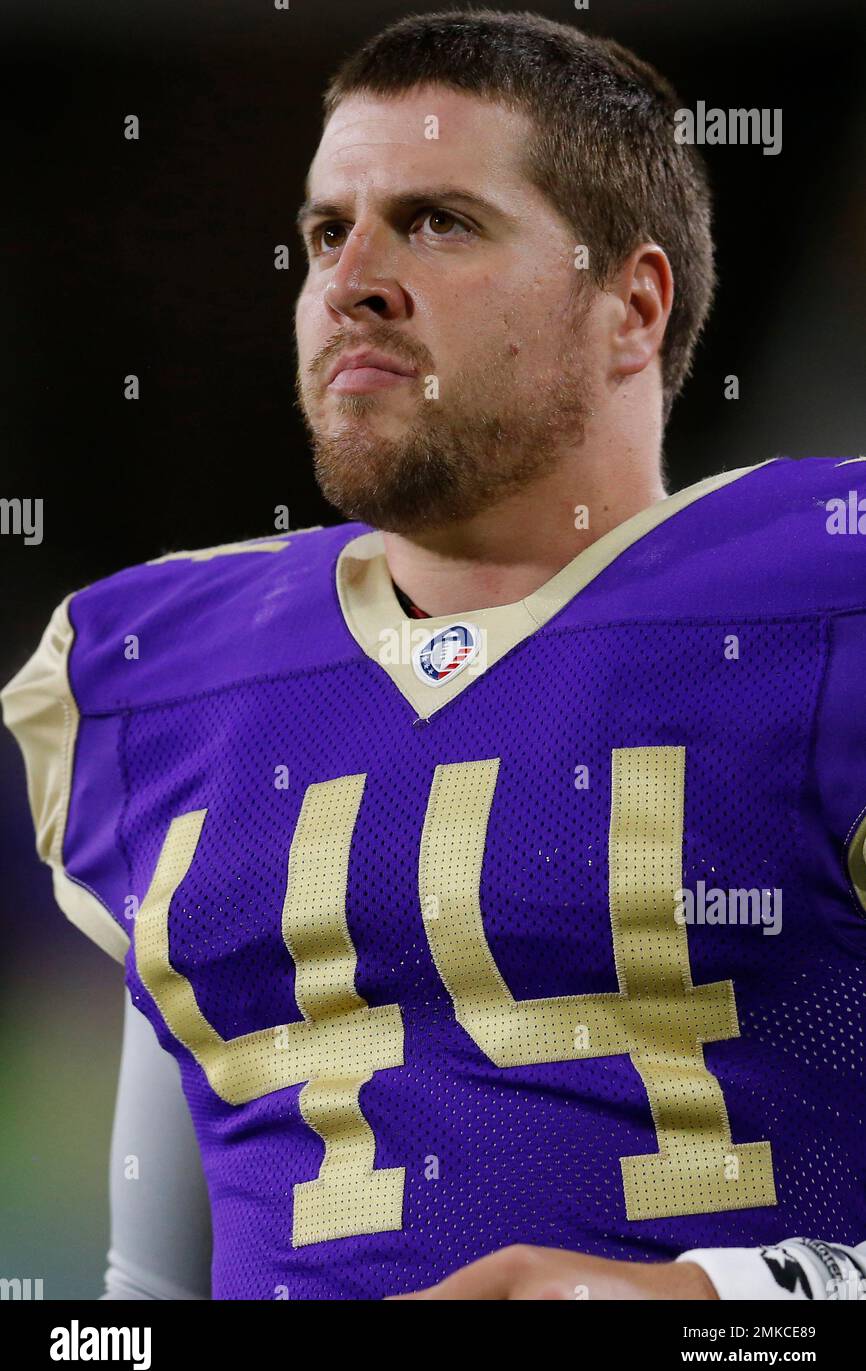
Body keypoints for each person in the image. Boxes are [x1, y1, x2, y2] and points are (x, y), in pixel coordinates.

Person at [4, 9, 865, 1301]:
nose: (352, 278)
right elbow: (141, 1296)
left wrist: (716, 1307)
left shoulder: (823, 594)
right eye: (323, 231)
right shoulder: (158, 671)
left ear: (628, 304)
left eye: (438, 221)